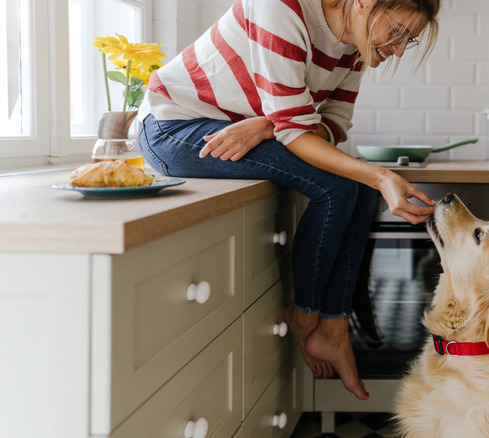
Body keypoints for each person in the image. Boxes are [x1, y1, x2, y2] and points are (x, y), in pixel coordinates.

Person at [136, 0, 441, 400]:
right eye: (397, 33)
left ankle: (333, 327)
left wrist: (270, 125)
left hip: (233, 132)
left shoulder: (353, 44)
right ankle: (305, 315)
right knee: (343, 185)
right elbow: (299, 129)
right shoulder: (282, 8)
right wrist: (381, 174)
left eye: (409, 41)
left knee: (360, 186)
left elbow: (332, 124)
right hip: (175, 128)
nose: (399, 49)